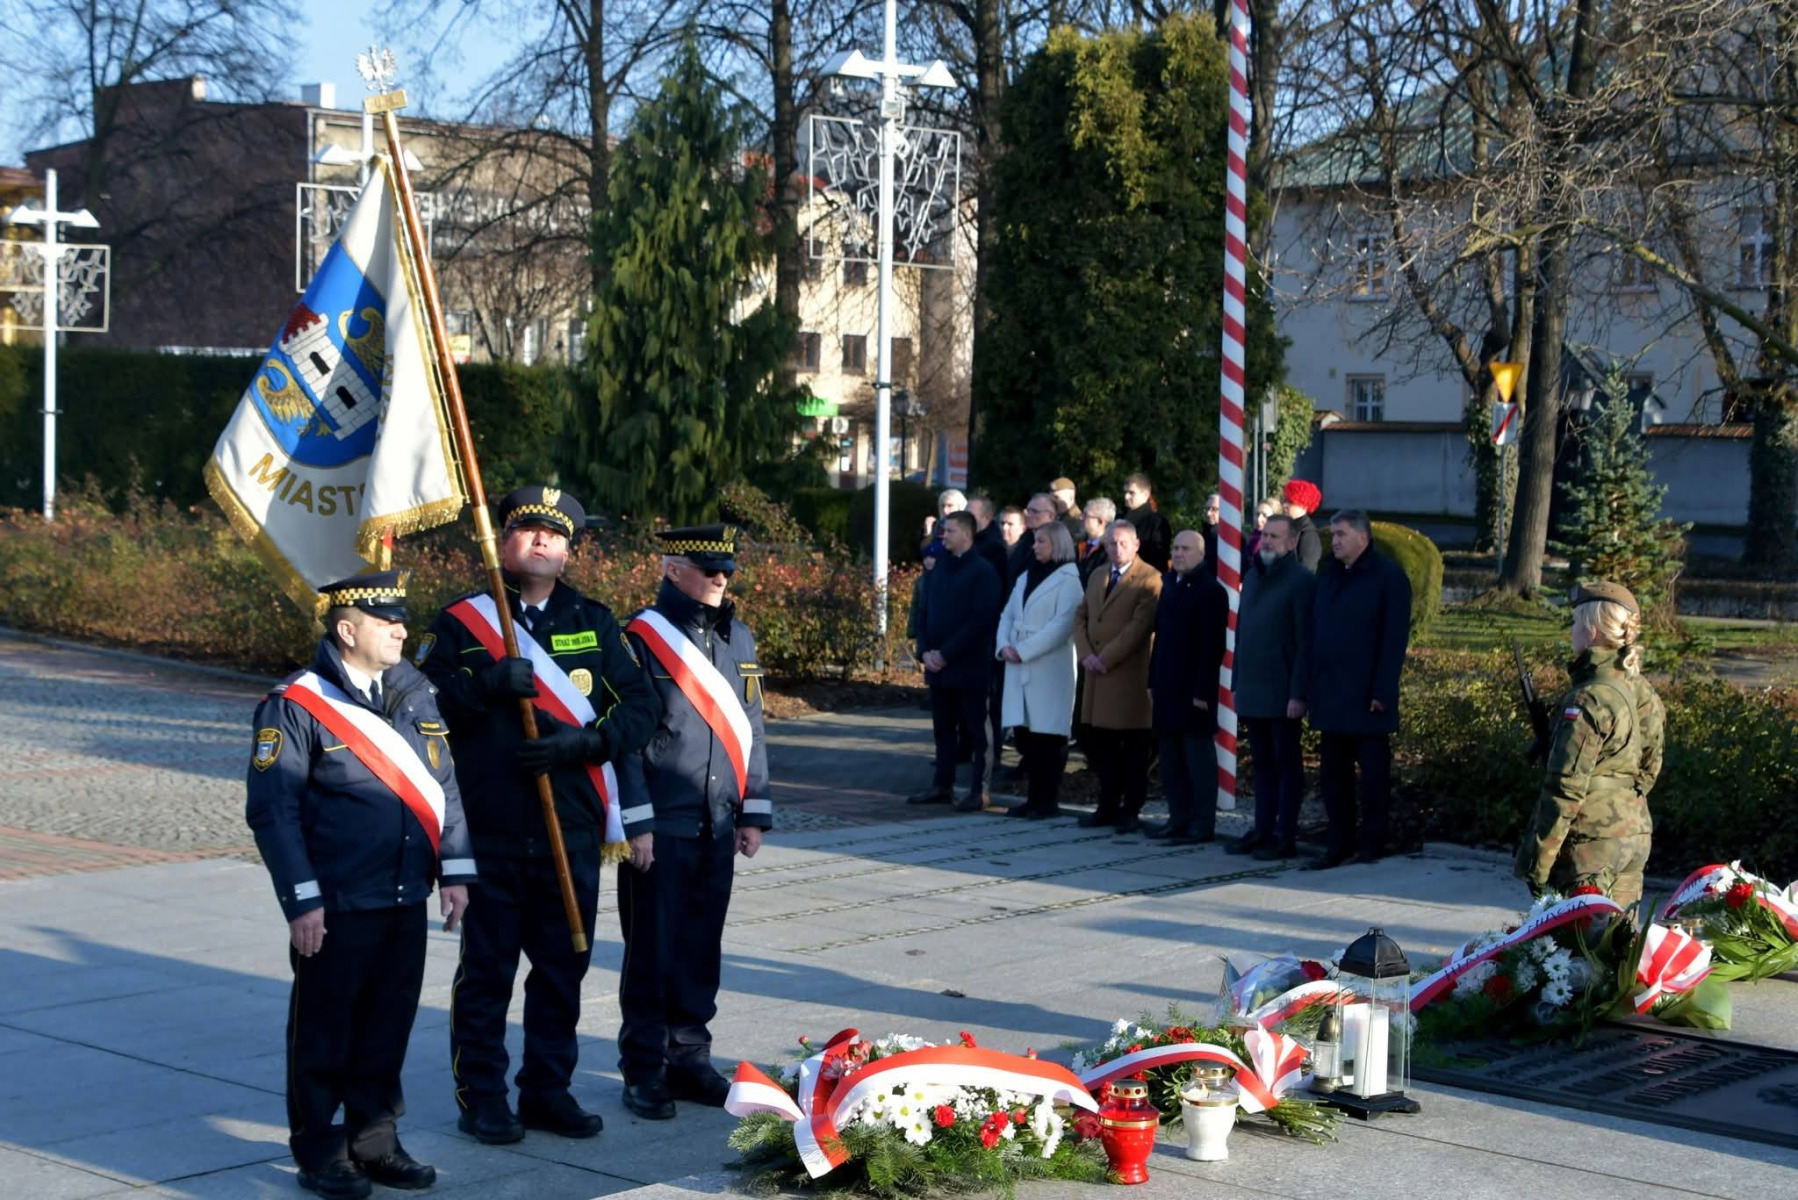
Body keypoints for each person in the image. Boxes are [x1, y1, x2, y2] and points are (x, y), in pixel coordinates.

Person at [421, 486, 660, 1145]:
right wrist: (484, 686)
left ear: (569, 551)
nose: (542, 542)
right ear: (503, 541)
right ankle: (482, 1098)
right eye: (528, 530)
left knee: (562, 968)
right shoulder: (462, 621)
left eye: (554, 535)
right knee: (488, 972)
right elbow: (419, 708)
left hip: (569, 827)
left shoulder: (595, 621)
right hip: (491, 826)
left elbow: (641, 708)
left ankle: (547, 1090)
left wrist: (584, 744)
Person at [247, 570, 475, 1199]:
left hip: (404, 895)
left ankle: (375, 1141)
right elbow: (273, 810)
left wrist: (455, 870)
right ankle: (320, 1149)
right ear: (347, 631)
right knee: (324, 1031)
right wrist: (302, 900)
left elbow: (444, 787)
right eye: (385, 621)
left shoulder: (415, 693)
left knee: (386, 1025)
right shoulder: (296, 704)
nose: (401, 630)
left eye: (401, 619)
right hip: (336, 902)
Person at [616, 524, 774, 1119]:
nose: (720, 579)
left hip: (717, 821)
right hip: (661, 823)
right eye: (709, 569)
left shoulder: (739, 636)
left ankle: (688, 1058)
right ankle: (643, 1067)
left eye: (727, 570)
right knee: (651, 952)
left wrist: (753, 809)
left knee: (701, 948)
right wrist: (635, 822)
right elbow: (626, 741)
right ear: (672, 569)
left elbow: (752, 726)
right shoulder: (638, 638)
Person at [1515, 582, 1664, 909]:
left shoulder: (1587, 699)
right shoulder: (1641, 690)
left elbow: (1565, 788)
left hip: (1588, 846)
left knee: (1578, 939)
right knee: (1621, 939)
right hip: (1634, 836)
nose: (1571, 630)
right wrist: (1622, 807)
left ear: (1591, 630)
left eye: (1575, 623)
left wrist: (1537, 864)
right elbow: (1650, 767)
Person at [1304, 510, 1411, 869]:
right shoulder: (1329, 576)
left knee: (1373, 778)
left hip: (1367, 698)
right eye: (1333, 534)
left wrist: (1382, 691)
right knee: (1334, 778)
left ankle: (1373, 842)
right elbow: (1317, 633)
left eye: (1341, 534)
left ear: (1362, 538)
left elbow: (1393, 641)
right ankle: (1339, 842)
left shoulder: (1388, 578)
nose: (1333, 541)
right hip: (1331, 694)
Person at [1227, 515, 1316, 860]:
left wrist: (1298, 693)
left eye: (1275, 537)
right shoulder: (1252, 577)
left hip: (1282, 691)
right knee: (1262, 765)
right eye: (1265, 535)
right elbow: (1242, 635)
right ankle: (1262, 828)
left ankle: (1284, 834)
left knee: (1286, 765)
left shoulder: (1301, 581)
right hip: (1252, 687)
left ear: (1292, 542)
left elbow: (1304, 641)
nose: (1267, 541)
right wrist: (1236, 681)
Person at [909, 510, 1004, 811]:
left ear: (966, 533)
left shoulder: (983, 572)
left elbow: (980, 620)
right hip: (937, 666)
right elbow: (924, 611)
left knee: (977, 730)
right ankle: (943, 785)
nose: (943, 536)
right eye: (943, 530)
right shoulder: (939, 568)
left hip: (969, 665)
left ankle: (980, 790)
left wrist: (946, 653)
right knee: (943, 728)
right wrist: (925, 650)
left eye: (949, 531)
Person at [1073, 520, 1162, 832]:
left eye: (1124, 543)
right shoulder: (1098, 574)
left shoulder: (1149, 578)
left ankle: (1131, 809)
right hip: (1096, 674)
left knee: (1133, 748)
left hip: (1127, 676)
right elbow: (1081, 616)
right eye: (1112, 543)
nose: (1117, 549)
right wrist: (1086, 654)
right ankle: (1107, 805)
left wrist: (1105, 658)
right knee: (1101, 745)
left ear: (1136, 545)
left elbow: (1139, 627)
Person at [995, 521, 1084, 818]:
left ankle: (1047, 801)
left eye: (1041, 541)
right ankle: (1033, 798)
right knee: (1028, 735)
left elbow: (1062, 626)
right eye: (1035, 541)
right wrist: (1004, 645)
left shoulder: (1069, 580)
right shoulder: (1026, 575)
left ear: (1057, 544)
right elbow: (1008, 614)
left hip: (1048, 668)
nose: (1035, 547)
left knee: (1050, 735)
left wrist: (1023, 650)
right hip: (1019, 663)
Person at [1147, 530, 1228, 844]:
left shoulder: (1211, 591)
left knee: (1198, 760)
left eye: (1186, 549)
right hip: (1166, 686)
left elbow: (1212, 647)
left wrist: (1202, 691)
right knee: (1171, 759)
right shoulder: (1169, 584)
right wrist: (1151, 680)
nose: (1179, 553)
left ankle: (1202, 822)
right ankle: (1178, 817)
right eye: (1176, 548)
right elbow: (1160, 638)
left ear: (1201, 554)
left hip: (1193, 690)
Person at [1008, 493, 1062, 591]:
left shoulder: (1057, 545)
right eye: (1028, 511)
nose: (1029, 515)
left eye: (1035, 511)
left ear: (1051, 516)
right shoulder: (1025, 540)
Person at [1122, 474, 1172, 574]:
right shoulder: (1120, 519)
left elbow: (1158, 559)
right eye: (1125, 492)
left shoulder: (1157, 522)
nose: (1126, 497)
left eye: (1131, 493)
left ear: (1145, 494)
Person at [1282, 479, 1325, 573]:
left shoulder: (1308, 534)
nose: (1284, 505)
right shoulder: (1289, 528)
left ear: (1304, 505)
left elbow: (1306, 569)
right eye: (1284, 500)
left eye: (1290, 502)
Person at [1077, 498, 1116, 590]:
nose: (1081, 518)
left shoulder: (1109, 551)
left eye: (1086, 515)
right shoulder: (1078, 543)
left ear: (1101, 522)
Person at [1244, 498, 1279, 564]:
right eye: (1257, 514)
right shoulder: (1248, 539)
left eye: (1264, 516)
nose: (1259, 519)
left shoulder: (1279, 544)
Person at [1050, 476, 1084, 542]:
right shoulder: (1056, 517)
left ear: (1071, 497)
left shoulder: (1078, 521)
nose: (1053, 501)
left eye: (1056, 497)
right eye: (1051, 497)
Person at [1199, 492, 1223, 576]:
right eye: (1207, 509)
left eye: (1214, 509)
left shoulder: (1233, 538)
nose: (1208, 513)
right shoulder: (1201, 535)